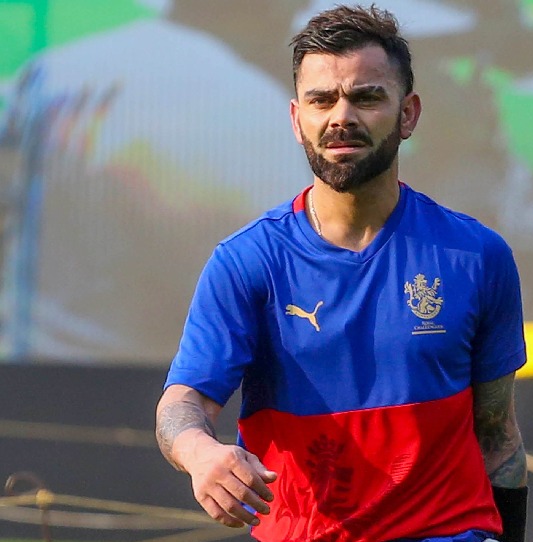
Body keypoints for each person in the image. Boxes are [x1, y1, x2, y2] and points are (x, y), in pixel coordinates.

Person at [154, 5, 531, 542]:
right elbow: (183, 405)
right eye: (322, 99)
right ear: (295, 117)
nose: (341, 116)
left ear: (408, 114)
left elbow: (499, 442)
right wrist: (201, 453)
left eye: (366, 97)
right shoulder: (247, 262)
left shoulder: (477, 256)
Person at [0, 0, 311, 361]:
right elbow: (279, 286)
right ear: (277, 9)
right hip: (170, 380)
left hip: (29, 370)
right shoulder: (251, 105)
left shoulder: (52, 69)